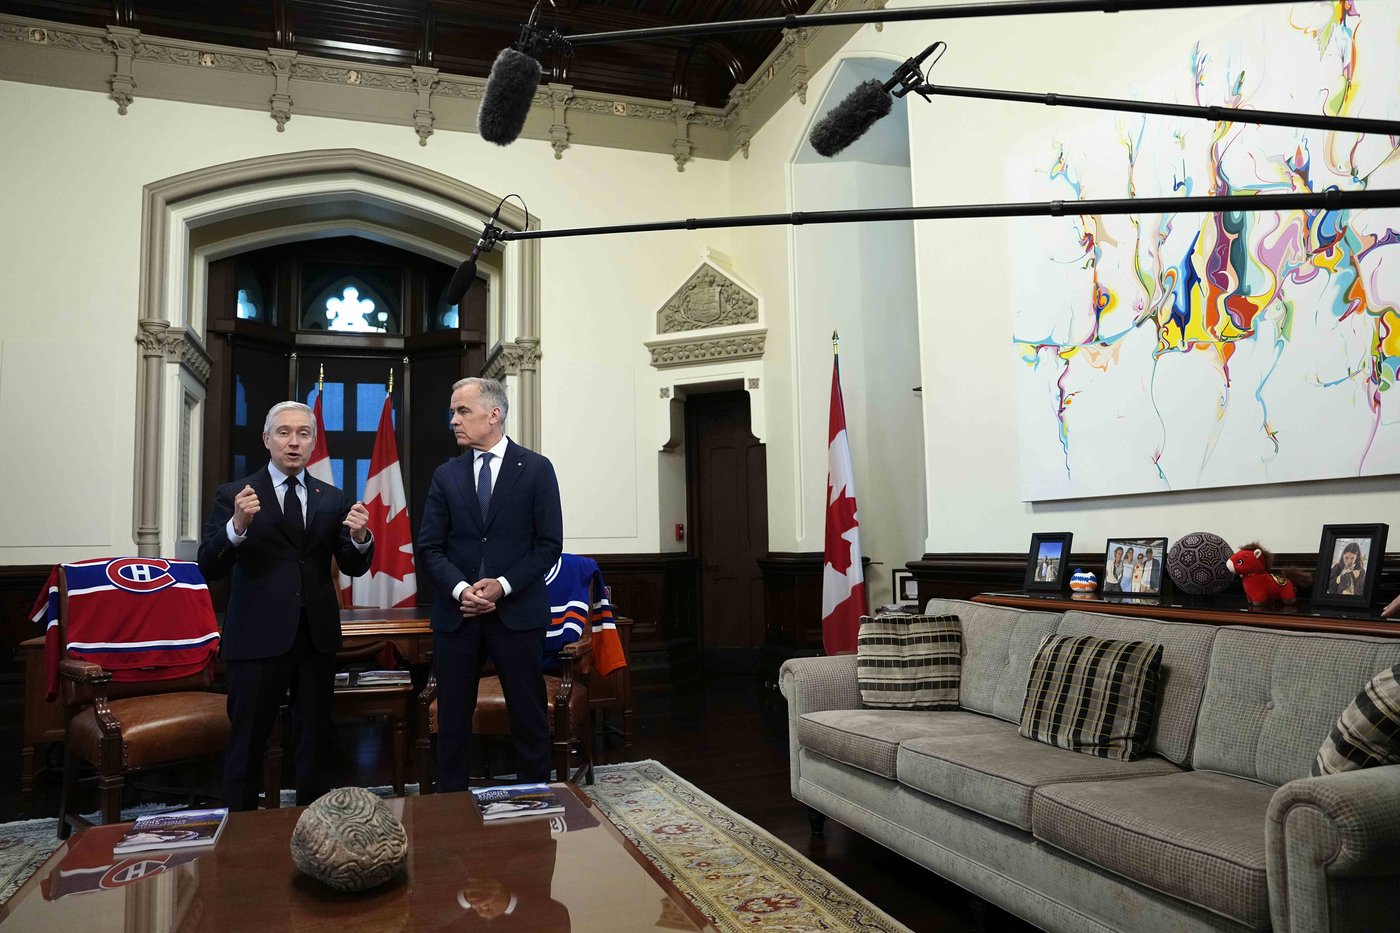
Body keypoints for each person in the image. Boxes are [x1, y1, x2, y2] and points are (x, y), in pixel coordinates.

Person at [198, 401, 373, 810]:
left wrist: (361, 538)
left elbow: (353, 565)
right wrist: (236, 527)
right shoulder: (235, 496)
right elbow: (209, 565)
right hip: (256, 637)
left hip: (316, 636)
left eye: (303, 434)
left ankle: (316, 823)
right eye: (284, 432)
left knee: (315, 738)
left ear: (313, 442)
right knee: (248, 738)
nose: (293, 442)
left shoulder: (332, 498)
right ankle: (240, 827)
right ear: (267, 439)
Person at [418, 377, 563, 792]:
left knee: (529, 716)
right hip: (458, 615)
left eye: (462, 411)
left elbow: (548, 544)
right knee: (452, 720)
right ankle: (450, 805)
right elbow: (430, 547)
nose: (453, 420)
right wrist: (462, 590)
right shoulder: (446, 475)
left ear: (494, 414)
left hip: (517, 613)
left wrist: (501, 585)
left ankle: (534, 800)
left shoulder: (536, 469)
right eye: (452, 412)